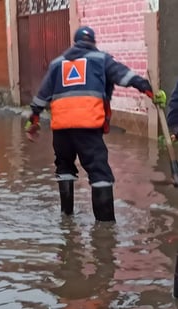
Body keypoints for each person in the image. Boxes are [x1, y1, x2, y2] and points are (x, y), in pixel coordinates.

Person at [26, 26, 153, 222]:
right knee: (99, 171)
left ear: (74, 43)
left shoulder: (57, 64)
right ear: (93, 43)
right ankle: (105, 229)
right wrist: (145, 87)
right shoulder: (101, 59)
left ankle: (66, 218)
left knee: (64, 168)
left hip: (61, 129)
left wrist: (33, 119)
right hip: (87, 127)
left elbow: (42, 96)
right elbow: (124, 76)